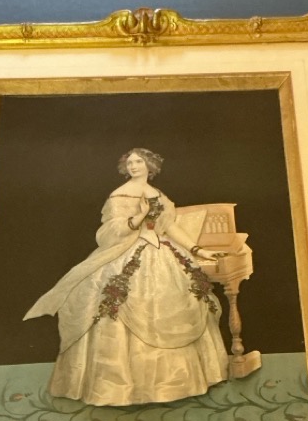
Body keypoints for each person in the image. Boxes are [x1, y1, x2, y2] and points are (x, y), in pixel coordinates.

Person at [23, 148, 229, 406]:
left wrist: (199, 250)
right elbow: (109, 232)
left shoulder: (158, 194)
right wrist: (139, 216)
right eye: (129, 162)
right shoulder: (120, 194)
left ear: (150, 165)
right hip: (128, 252)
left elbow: (170, 226)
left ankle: (172, 386)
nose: (133, 166)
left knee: (177, 300)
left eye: (138, 161)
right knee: (119, 304)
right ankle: (122, 389)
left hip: (163, 252)